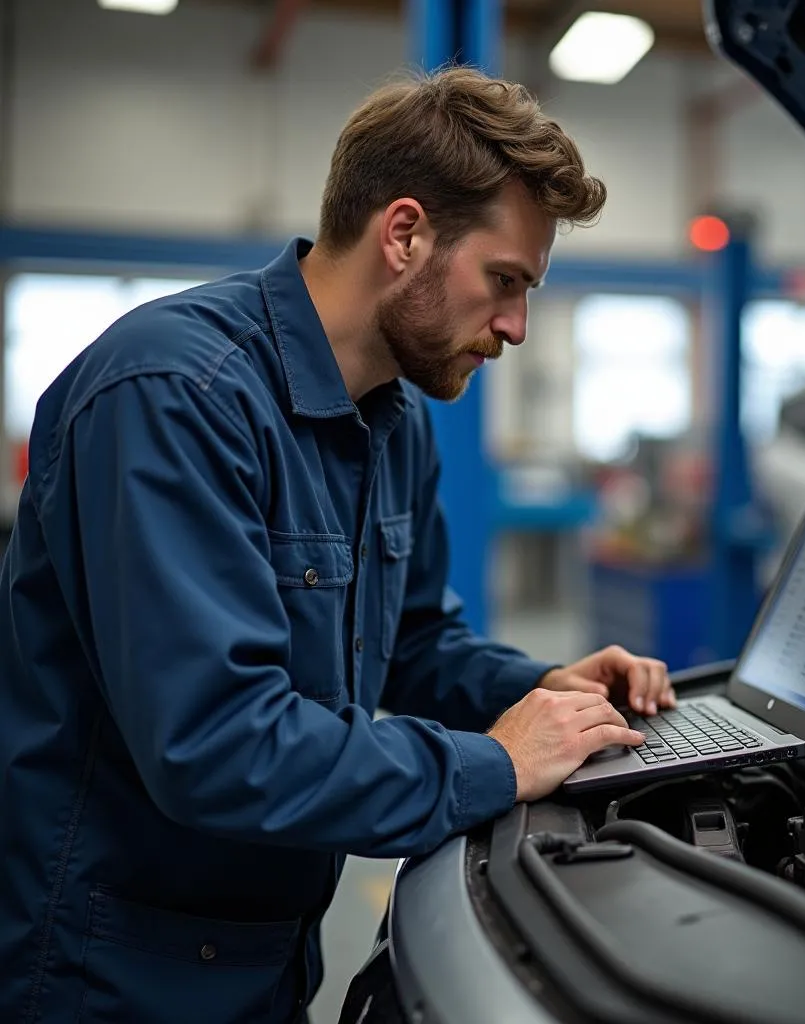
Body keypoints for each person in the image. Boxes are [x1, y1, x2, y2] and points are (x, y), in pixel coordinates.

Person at [0, 66, 674, 1023]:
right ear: (404, 234)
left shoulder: (393, 423)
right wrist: (496, 763)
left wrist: (541, 694)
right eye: (506, 281)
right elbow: (214, 743)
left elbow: (410, 646)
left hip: (263, 956)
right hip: (108, 973)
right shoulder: (173, 397)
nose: (517, 327)